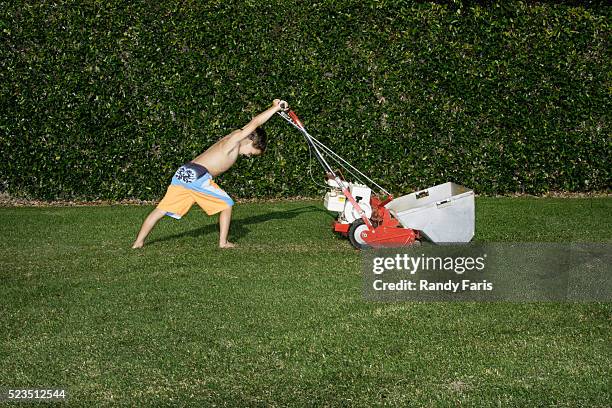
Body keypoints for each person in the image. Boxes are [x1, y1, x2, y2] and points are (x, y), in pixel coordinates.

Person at [132, 99, 287, 249]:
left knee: (161, 209)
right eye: (252, 153)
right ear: (251, 141)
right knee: (226, 204)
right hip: (198, 175)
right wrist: (275, 109)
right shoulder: (234, 141)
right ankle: (223, 243)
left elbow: (252, 124)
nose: (248, 156)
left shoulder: (235, 136)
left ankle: (138, 243)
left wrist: (274, 105)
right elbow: (255, 123)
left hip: (184, 171)